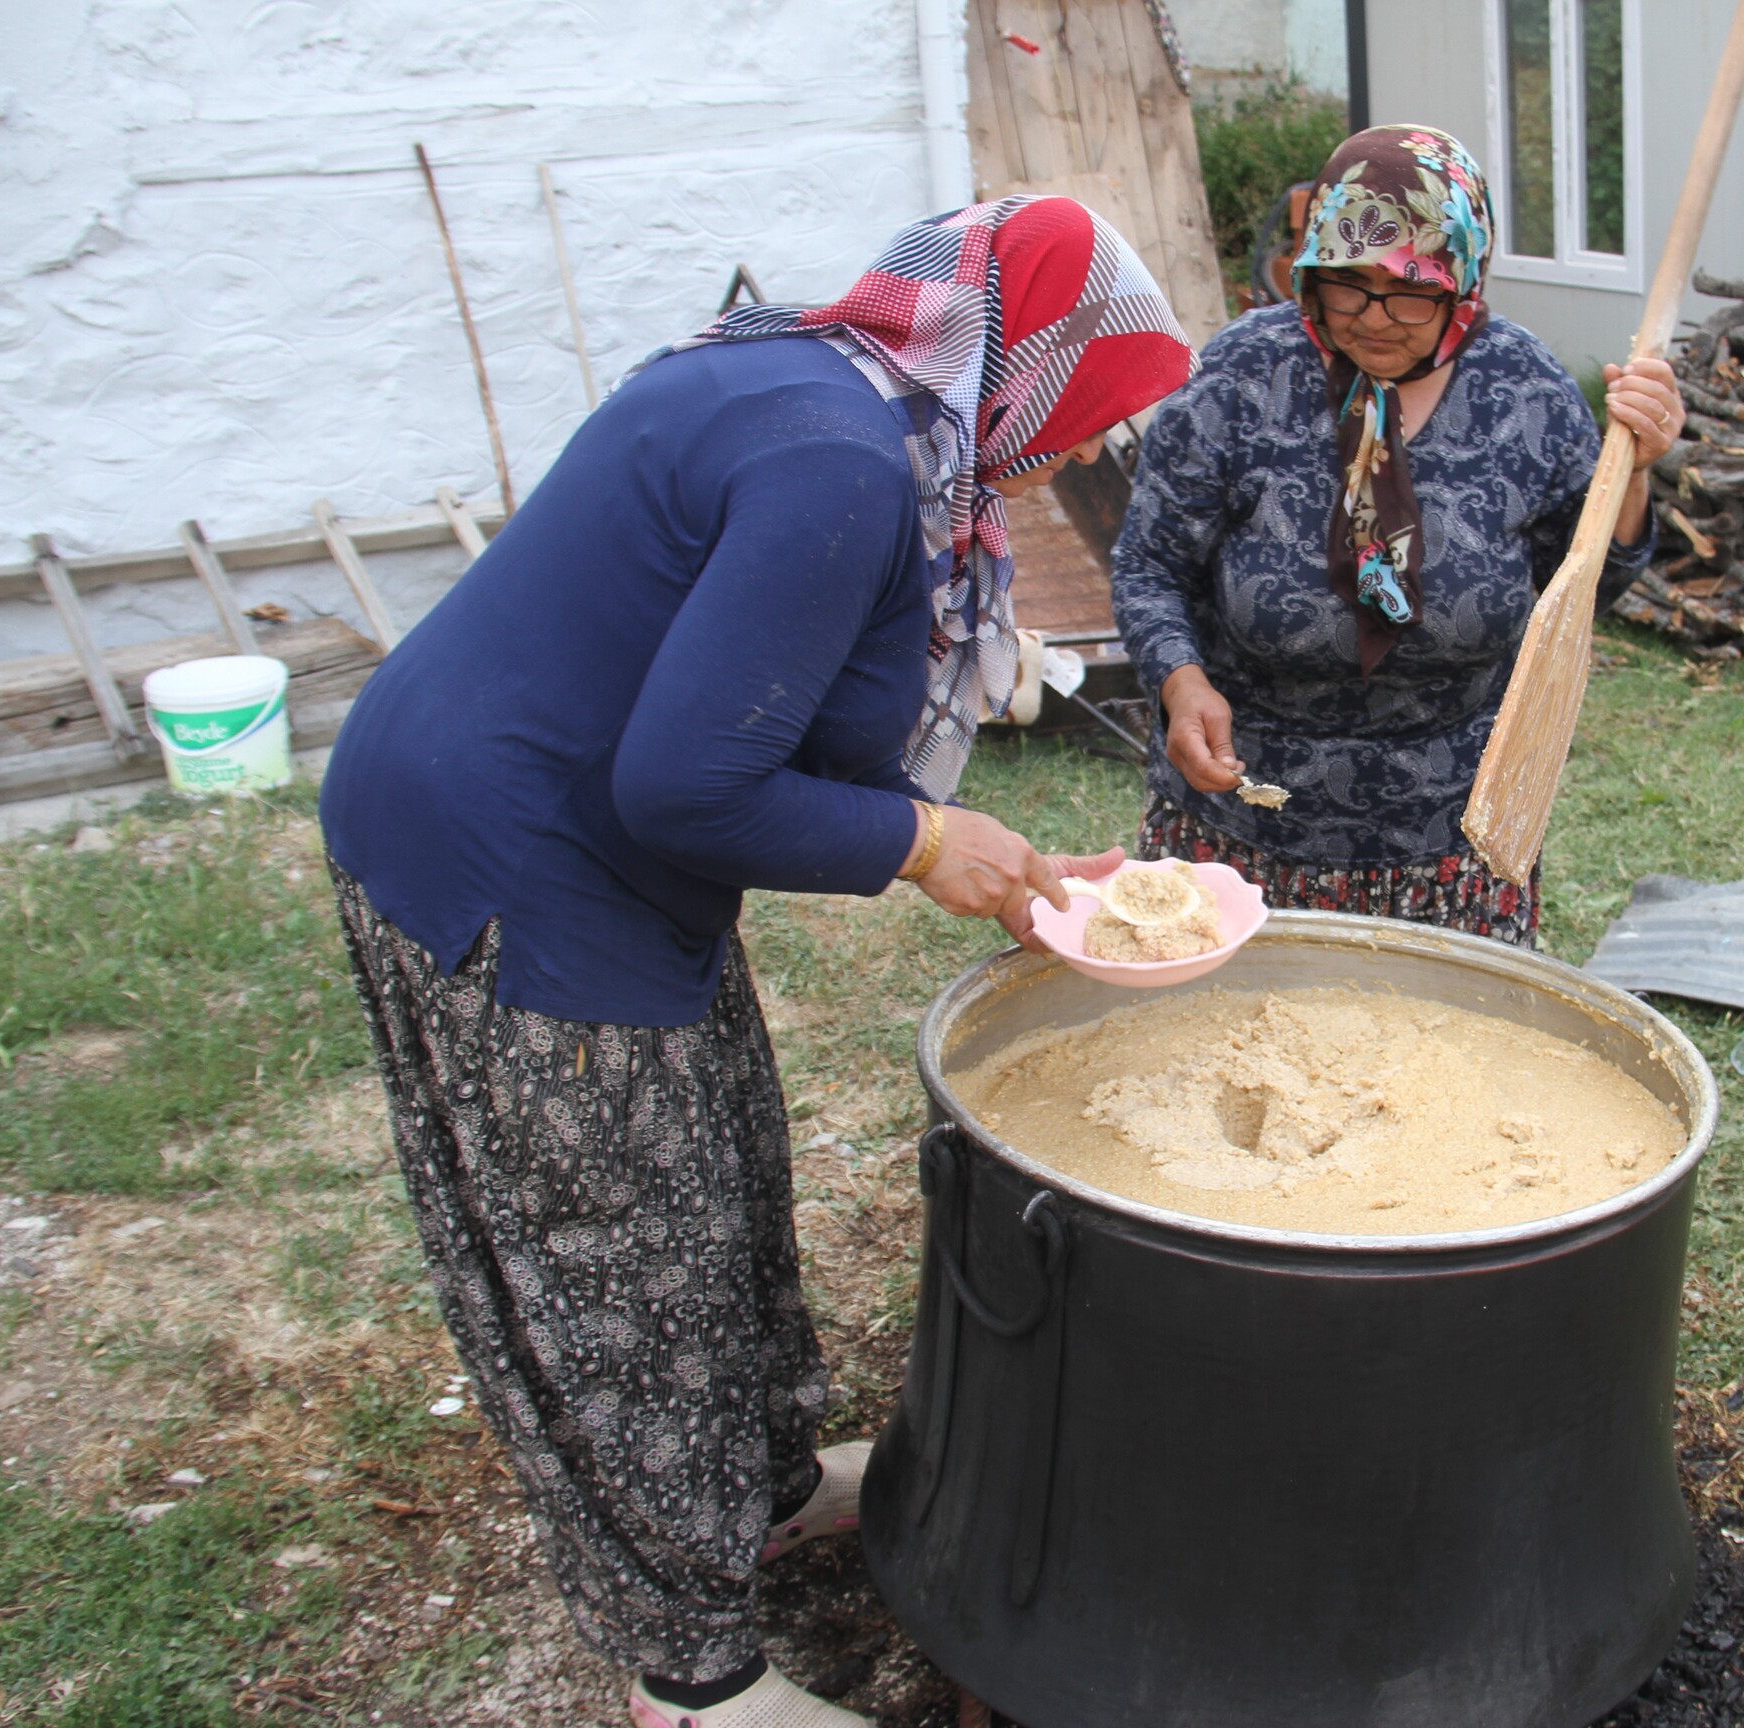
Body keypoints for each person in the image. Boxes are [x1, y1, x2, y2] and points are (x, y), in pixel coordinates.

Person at [318, 197, 1193, 1728]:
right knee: (624, 1260)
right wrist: (923, 848)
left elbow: (745, 711)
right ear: (1022, 369)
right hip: (521, 861)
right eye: (1079, 420)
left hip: (595, 830)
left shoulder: (828, 385)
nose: (1066, 463)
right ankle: (695, 1677)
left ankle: (771, 1488)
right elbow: (688, 785)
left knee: (719, 1170)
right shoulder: (839, 472)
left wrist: (984, 850)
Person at [1112, 125, 1685, 946]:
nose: (1374, 319)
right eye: (1345, 285)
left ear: (1465, 282)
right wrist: (1178, 680)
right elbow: (1149, 564)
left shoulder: (1526, 393)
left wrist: (1633, 470)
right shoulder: (1241, 379)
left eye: (1411, 291)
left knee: (1433, 1068)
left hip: (1455, 845)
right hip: (1239, 828)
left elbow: (1584, 585)